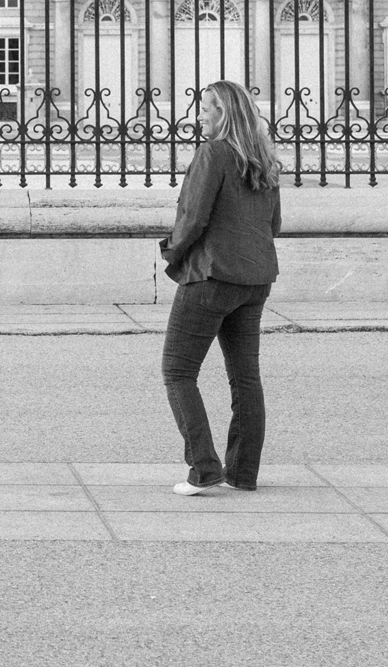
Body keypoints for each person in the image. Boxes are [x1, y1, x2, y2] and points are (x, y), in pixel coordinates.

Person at [159, 80, 282, 495]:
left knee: (177, 371)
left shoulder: (212, 153)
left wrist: (172, 252)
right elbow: (273, 224)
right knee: (245, 378)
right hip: (255, 278)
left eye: (206, 109)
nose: (199, 116)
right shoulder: (264, 158)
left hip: (212, 276)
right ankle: (243, 473)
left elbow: (192, 218)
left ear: (223, 114)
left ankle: (204, 467)